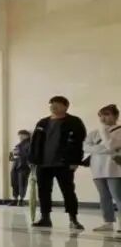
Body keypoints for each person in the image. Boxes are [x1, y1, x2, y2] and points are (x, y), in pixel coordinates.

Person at [30, 95, 87, 230]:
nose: (53, 107)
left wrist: (75, 161)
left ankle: (73, 219)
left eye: (57, 104)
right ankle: (45, 218)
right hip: (43, 164)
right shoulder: (42, 123)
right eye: (51, 105)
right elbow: (34, 142)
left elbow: (79, 142)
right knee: (43, 191)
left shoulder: (74, 121)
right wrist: (32, 160)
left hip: (64, 163)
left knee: (68, 191)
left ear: (66, 107)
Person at [85, 103, 121, 233]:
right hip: (97, 168)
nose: (103, 118)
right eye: (101, 115)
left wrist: (104, 134)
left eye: (107, 114)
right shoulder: (94, 132)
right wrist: (103, 148)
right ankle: (108, 222)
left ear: (115, 116)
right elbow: (85, 147)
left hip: (114, 169)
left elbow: (111, 145)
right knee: (104, 196)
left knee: (118, 196)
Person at [8, 129, 32, 206]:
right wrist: (12, 155)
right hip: (15, 166)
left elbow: (30, 155)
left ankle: (21, 200)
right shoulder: (18, 145)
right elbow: (12, 157)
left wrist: (19, 153)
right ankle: (15, 199)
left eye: (22, 135)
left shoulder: (30, 144)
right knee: (14, 183)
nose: (20, 137)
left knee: (22, 183)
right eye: (19, 135)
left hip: (24, 166)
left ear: (27, 136)